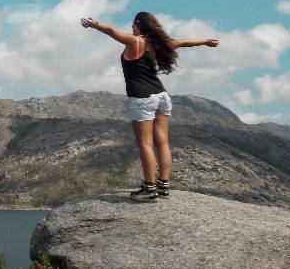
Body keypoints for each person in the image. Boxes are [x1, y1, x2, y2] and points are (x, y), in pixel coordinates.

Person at [80, 12, 219, 201]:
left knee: (145, 143)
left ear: (138, 24)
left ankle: (150, 188)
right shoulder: (159, 43)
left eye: (132, 25)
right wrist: (205, 41)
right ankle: (163, 186)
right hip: (162, 96)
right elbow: (184, 42)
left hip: (142, 98)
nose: (131, 28)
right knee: (162, 142)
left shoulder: (135, 42)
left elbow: (111, 31)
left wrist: (94, 24)